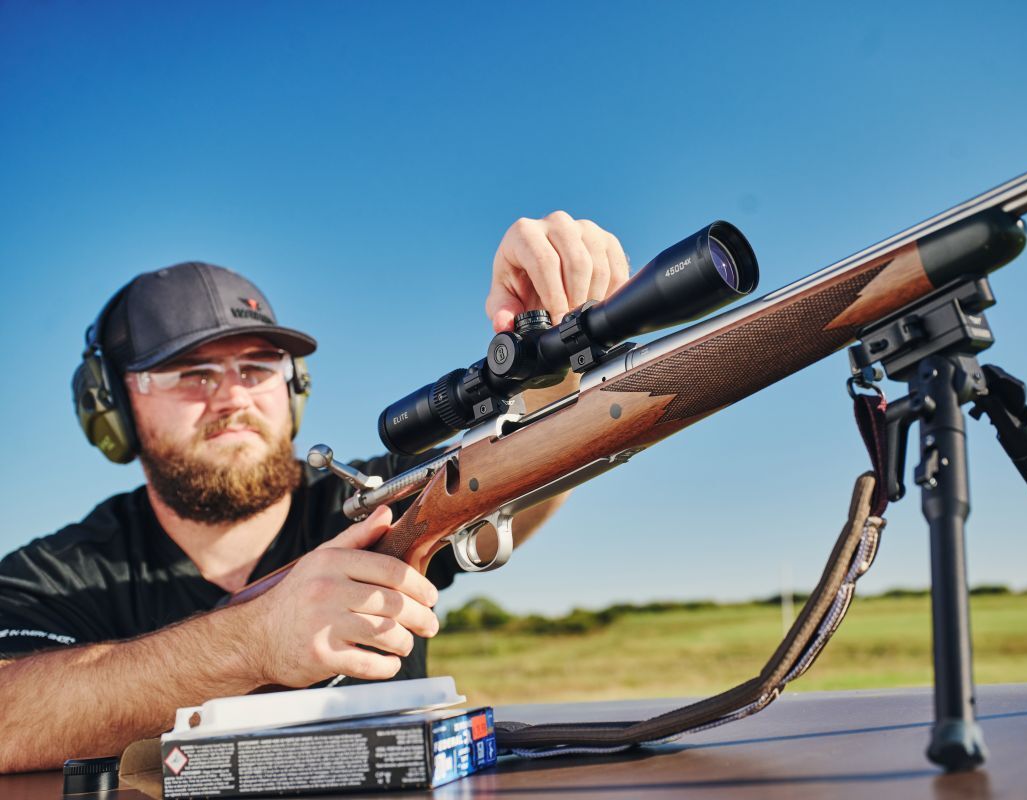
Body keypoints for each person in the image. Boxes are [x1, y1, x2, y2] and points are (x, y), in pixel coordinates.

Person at [0, 211, 629, 773]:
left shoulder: (379, 493)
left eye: (257, 368)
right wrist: (253, 640)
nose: (234, 396)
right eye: (190, 373)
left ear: (294, 387)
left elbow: (528, 470)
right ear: (109, 410)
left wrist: (555, 344)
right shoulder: (56, 573)